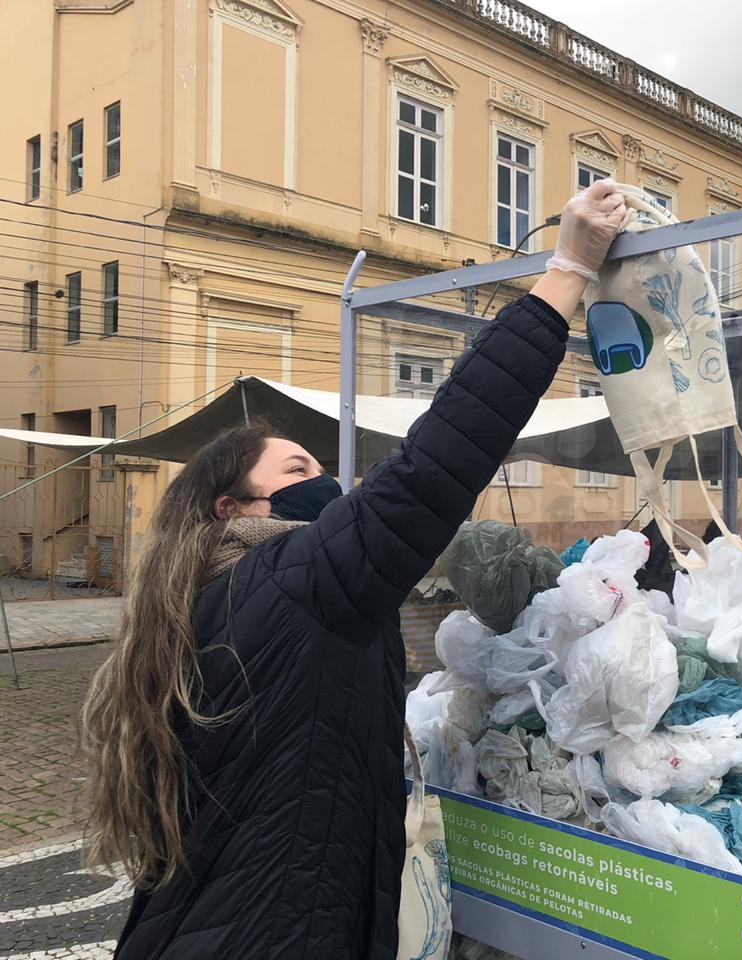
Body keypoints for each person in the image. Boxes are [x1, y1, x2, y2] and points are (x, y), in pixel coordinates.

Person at [79, 179, 628, 960]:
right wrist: (566, 273)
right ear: (233, 509)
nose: (327, 482)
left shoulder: (202, 595)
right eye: (297, 469)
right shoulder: (294, 581)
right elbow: (434, 463)